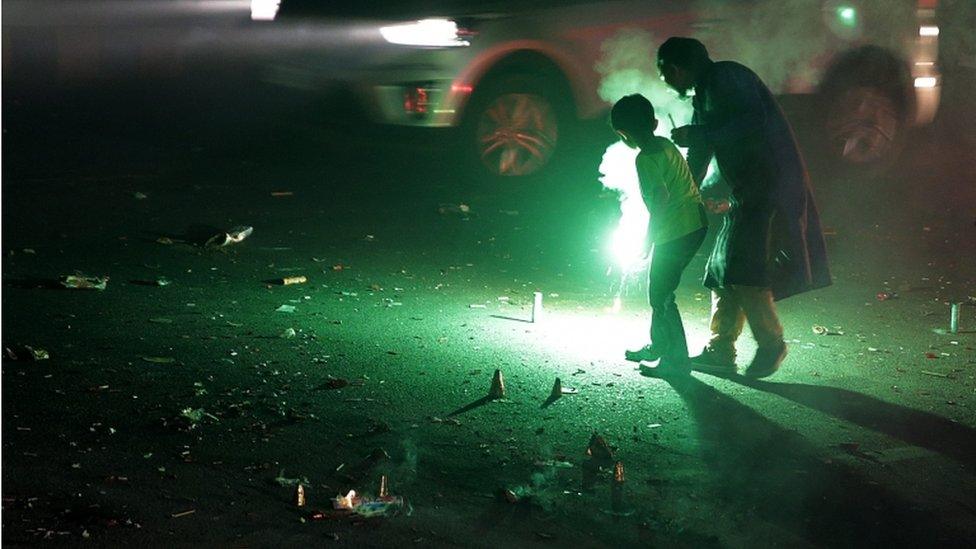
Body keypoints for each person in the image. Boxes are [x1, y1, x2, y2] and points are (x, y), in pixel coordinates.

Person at [657, 37, 831, 379]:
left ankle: (770, 344)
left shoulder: (727, 77)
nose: (665, 82)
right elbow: (700, 153)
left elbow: (750, 123)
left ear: (675, 68)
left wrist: (701, 133)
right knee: (723, 269)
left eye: (664, 74)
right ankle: (720, 349)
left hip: (770, 187)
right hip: (748, 193)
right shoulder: (705, 93)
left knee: (744, 271)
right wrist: (684, 190)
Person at [611, 94, 708, 375]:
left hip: (677, 230)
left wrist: (647, 239)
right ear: (654, 122)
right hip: (695, 223)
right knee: (659, 288)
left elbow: (661, 201)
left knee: (662, 293)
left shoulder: (645, 159)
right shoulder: (665, 145)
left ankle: (676, 362)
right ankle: (659, 345)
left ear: (623, 134)